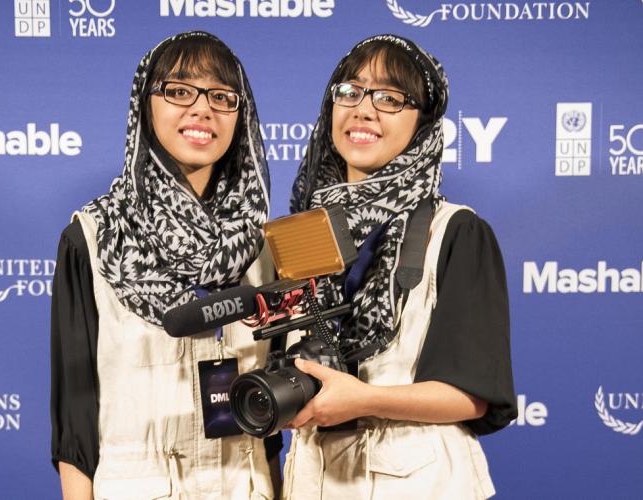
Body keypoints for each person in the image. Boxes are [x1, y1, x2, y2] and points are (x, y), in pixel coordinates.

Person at [282, 34, 517, 499]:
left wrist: (364, 399)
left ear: (423, 126)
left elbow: (471, 395)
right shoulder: (302, 233)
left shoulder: (456, 232)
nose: (363, 110)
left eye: (390, 98)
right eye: (350, 91)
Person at [50, 31, 280, 500]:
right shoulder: (94, 236)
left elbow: (272, 418)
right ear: (144, 105)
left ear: (243, 115)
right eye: (178, 91)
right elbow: (75, 410)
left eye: (221, 96)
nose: (202, 109)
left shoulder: (263, 244)